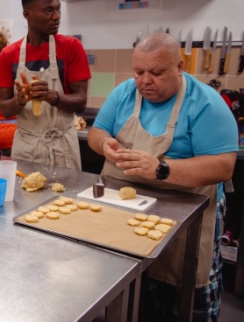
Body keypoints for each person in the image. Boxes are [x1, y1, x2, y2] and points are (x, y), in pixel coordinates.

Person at [87, 32, 238, 321]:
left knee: (183, 289)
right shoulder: (124, 93)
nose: (145, 80)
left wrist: (161, 169)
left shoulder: (206, 103)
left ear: (179, 67)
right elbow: (97, 131)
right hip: (126, 205)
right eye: (138, 71)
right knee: (130, 284)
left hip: (187, 208)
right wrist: (104, 144)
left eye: (156, 73)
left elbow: (223, 166)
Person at [0, 0, 91, 169]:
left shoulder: (71, 48)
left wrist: (51, 96)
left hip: (62, 147)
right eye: (48, 11)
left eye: (58, 9)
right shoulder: (9, 55)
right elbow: (5, 109)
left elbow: (81, 102)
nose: (56, 17)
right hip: (26, 147)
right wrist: (19, 101)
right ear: (27, 14)